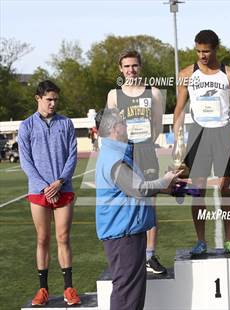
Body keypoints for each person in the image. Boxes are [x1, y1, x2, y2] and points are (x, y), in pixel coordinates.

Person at [173, 29, 230, 255]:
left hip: (224, 133)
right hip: (199, 134)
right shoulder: (186, 74)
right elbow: (179, 109)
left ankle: (229, 240)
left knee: (226, 189)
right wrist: (177, 141)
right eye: (198, 51)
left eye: (206, 51)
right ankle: (200, 240)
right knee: (198, 190)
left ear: (216, 49)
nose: (202, 55)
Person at [95, 109, 180, 310]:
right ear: (115, 129)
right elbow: (139, 189)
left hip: (126, 232)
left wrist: (165, 188)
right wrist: (165, 180)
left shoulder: (115, 154)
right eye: (123, 123)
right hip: (124, 235)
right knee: (127, 296)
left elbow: (133, 189)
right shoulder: (114, 158)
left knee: (129, 293)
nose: (127, 127)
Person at [18, 80, 80, 306]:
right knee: (42, 239)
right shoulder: (26, 126)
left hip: (63, 189)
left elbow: (72, 156)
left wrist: (60, 181)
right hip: (39, 191)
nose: (53, 103)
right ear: (38, 99)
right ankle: (43, 290)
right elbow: (26, 161)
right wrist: (45, 186)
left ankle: (69, 289)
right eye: (49, 99)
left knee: (63, 238)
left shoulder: (66, 124)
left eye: (56, 100)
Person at [107, 50, 166, 274]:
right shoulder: (114, 95)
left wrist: (146, 141)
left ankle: (150, 255)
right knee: (125, 202)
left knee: (150, 202)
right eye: (126, 67)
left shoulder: (155, 93)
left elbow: (158, 125)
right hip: (124, 153)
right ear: (120, 69)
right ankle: (130, 255)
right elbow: (111, 127)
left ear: (140, 67)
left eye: (134, 66)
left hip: (146, 151)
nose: (131, 70)